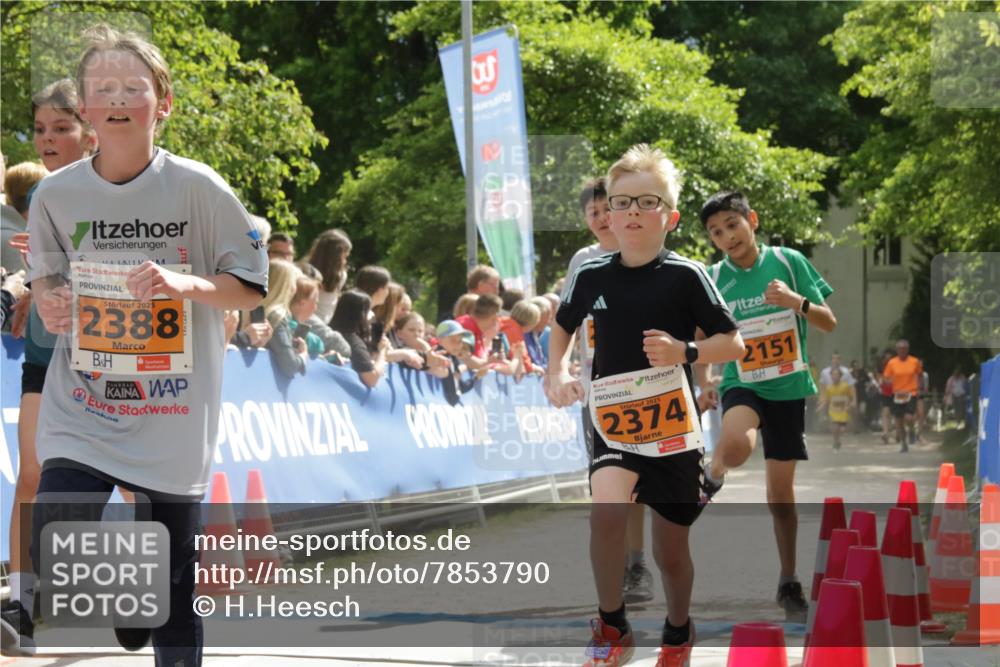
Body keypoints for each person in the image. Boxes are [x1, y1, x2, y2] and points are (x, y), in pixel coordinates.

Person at [16, 24, 267, 664]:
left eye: (134, 85)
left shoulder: (199, 188)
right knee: (55, 522)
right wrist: (49, 296)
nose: (118, 96)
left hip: (174, 411)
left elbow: (251, 288)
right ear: (86, 108)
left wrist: (183, 283)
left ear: (164, 101)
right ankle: (129, 585)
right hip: (88, 402)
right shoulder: (56, 193)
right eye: (102, 88)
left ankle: (147, 593)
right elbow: (46, 272)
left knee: (178, 600)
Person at [546, 144, 743, 665]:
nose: (632, 211)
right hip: (613, 418)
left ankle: (678, 632)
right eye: (622, 202)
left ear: (670, 217)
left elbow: (734, 342)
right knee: (605, 517)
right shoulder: (591, 275)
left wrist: (686, 351)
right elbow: (562, 324)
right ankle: (613, 628)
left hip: (672, 426)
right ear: (607, 213)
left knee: (670, 552)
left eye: (647, 201)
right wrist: (557, 370)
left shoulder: (687, 275)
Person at [698, 190, 837, 621]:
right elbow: (702, 336)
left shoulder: (788, 262)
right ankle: (713, 472)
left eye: (732, 225)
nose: (726, 236)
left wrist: (796, 302)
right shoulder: (713, 278)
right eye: (716, 232)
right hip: (744, 381)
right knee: (737, 445)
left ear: (751, 220)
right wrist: (705, 382)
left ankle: (789, 579)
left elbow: (828, 321)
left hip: (789, 387)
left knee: (780, 494)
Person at [1, 78, 101, 657]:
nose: (47, 139)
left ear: (88, 130)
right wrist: (22, 289)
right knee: (32, 473)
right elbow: (40, 269)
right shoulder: (40, 199)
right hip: (45, 352)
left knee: (133, 484)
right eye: (40, 129)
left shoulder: (117, 188)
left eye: (61, 128)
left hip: (111, 357)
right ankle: (22, 607)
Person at [562, 176, 655, 604]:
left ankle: (637, 562)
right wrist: (559, 370)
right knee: (605, 482)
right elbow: (566, 323)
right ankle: (618, 563)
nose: (600, 218)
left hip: (644, 387)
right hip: (596, 390)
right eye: (592, 212)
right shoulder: (582, 261)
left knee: (636, 484)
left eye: (606, 209)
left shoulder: (641, 252)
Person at [330, 289, 387, 388]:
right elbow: (371, 378)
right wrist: (382, 352)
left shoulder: (324, 331)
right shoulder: (354, 343)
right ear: (362, 314)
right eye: (368, 310)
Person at [288, 273, 348, 364]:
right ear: (302, 303)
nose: (316, 308)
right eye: (315, 302)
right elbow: (318, 344)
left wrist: (324, 358)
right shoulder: (286, 325)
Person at [882, 339, 923, 452]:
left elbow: (920, 375)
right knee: (899, 421)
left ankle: (911, 430)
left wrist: (919, 387)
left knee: (909, 417)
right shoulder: (892, 362)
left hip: (911, 393)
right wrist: (887, 382)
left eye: (904, 349)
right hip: (897, 394)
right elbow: (886, 377)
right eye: (900, 349)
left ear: (908, 350)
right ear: (897, 350)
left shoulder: (914, 361)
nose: (902, 351)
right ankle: (904, 443)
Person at [305, 228, 352, 323]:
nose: (345, 261)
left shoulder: (304, 269)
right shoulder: (340, 276)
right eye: (345, 257)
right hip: (319, 322)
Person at [430, 320, 478, 406]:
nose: (457, 345)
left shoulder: (453, 358)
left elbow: (459, 389)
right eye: (452, 340)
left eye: (460, 341)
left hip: (448, 409)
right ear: (440, 340)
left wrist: (475, 378)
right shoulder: (435, 357)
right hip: (436, 407)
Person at [818, 367, 854, 451]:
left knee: (842, 429)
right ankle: (835, 442)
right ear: (831, 376)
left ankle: (838, 441)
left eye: (837, 375)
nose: (835, 376)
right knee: (835, 427)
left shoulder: (845, 386)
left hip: (843, 411)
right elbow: (827, 400)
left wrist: (850, 404)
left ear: (840, 376)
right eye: (833, 375)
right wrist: (821, 407)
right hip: (833, 411)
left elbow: (850, 397)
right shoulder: (829, 388)